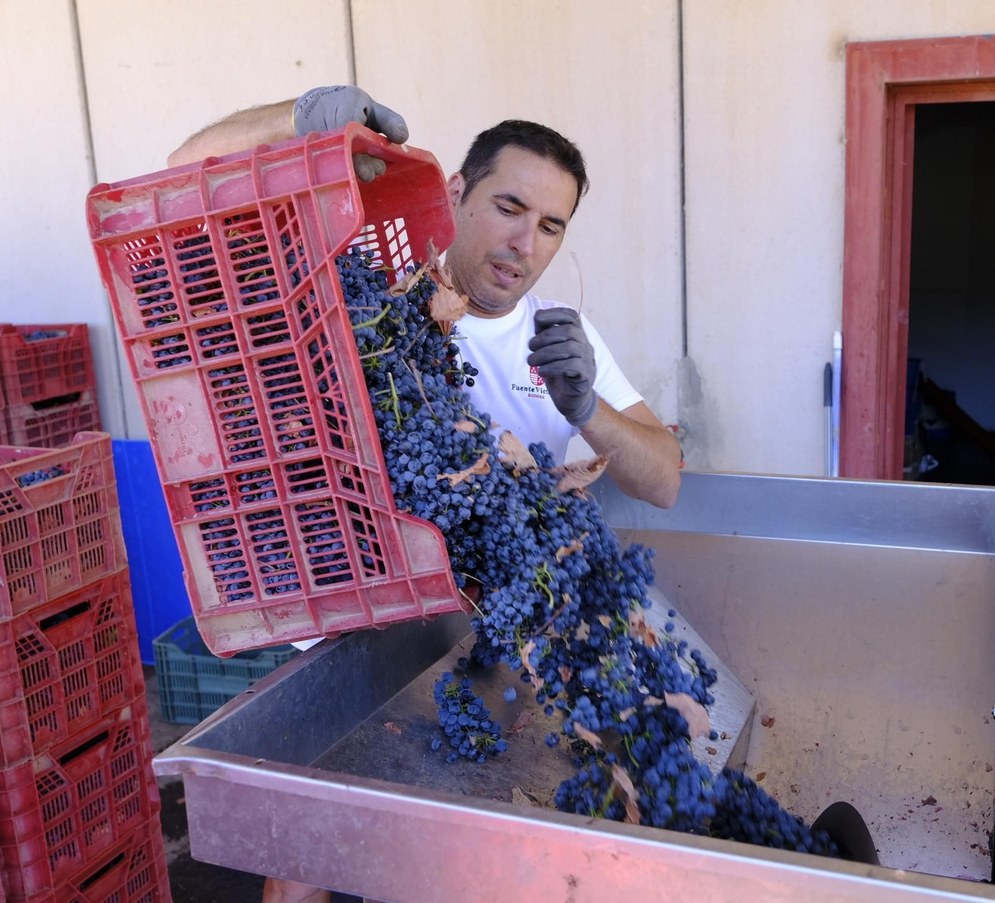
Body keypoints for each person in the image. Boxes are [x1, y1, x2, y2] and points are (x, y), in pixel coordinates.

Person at [170, 85, 682, 903]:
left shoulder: (561, 340)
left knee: (456, 851)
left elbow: (662, 479)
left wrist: (589, 410)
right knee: (310, 858)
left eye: (551, 225)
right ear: (454, 194)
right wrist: (297, 120)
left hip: (488, 649)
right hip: (358, 644)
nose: (524, 241)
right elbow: (182, 173)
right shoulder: (359, 310)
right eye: (509, 206)